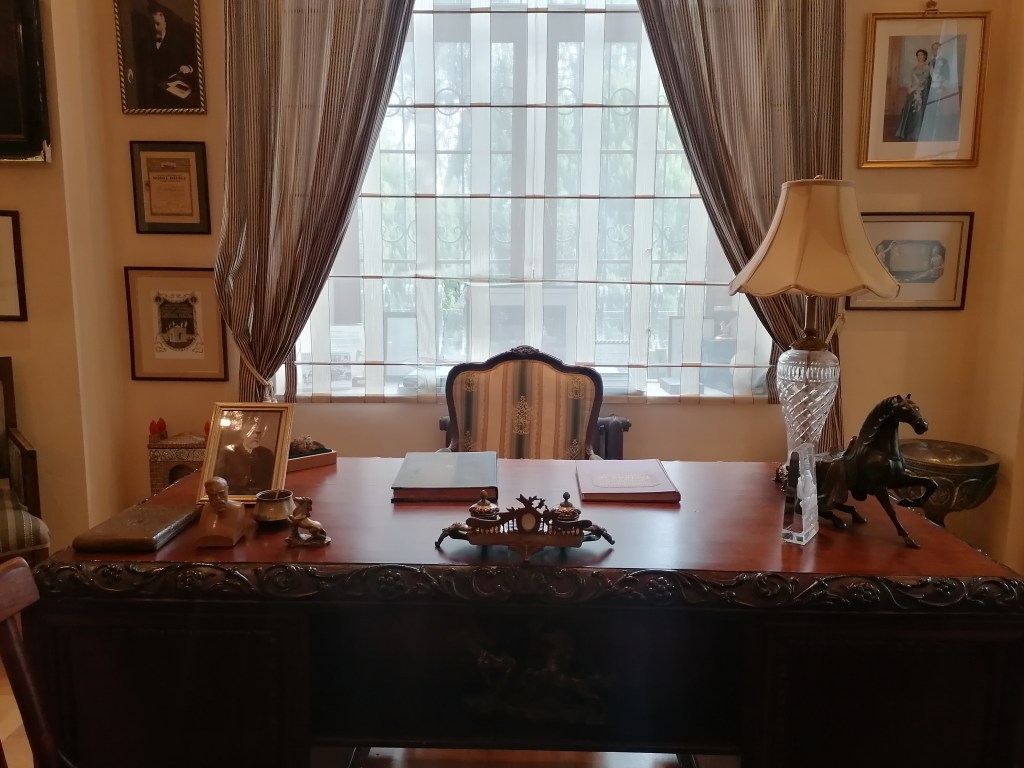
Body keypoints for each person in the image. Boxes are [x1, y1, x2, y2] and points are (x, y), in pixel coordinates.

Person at [128, 2, 200, 109]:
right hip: (151, 95)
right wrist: (131, 68)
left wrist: (189, 68)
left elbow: (195, 62)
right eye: (152, 25)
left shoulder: (179, 39)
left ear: (163, 17)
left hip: (173, 97)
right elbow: (138, 61)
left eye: (157, 24)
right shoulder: (145, 39)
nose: (155, 29)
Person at [214, 417, 276, 495]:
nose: (256, 436)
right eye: (252, 432)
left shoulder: (267, 453)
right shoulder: (228, 453)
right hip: (234, 495)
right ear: (243, 435)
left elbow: (271, 479)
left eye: (258, 433)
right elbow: (220, 478)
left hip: (260, 495)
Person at [195, 476, 246, 547]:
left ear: (227, 490)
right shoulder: (205, 509)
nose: (218, 498)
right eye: (212, 495)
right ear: (207, 494)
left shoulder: (237, 509)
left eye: (222, 493)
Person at [894, 49, 931, 142]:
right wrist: (909, 87)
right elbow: (911, 78)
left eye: (921, 55)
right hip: (912, 91)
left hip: (920, 92)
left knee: (918, 112)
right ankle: (905, 133)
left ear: (925, 56)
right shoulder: (915, 67)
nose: (919, 57)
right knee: (908, 111)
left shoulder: (927, 67)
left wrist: (913, 88)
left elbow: (922, 81)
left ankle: (915, 134)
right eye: (918, 55)